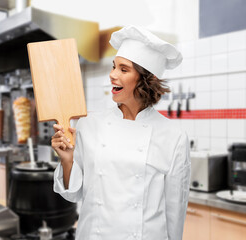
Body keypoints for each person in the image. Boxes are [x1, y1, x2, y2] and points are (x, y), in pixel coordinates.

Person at [51, 25, 191, 240]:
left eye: (124, 70)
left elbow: (175, 208)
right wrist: (68, 160)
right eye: (113, 66)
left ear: (146, 80)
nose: (112, 75)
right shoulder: (89, 124)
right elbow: (73, 194)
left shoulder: (173, 136)